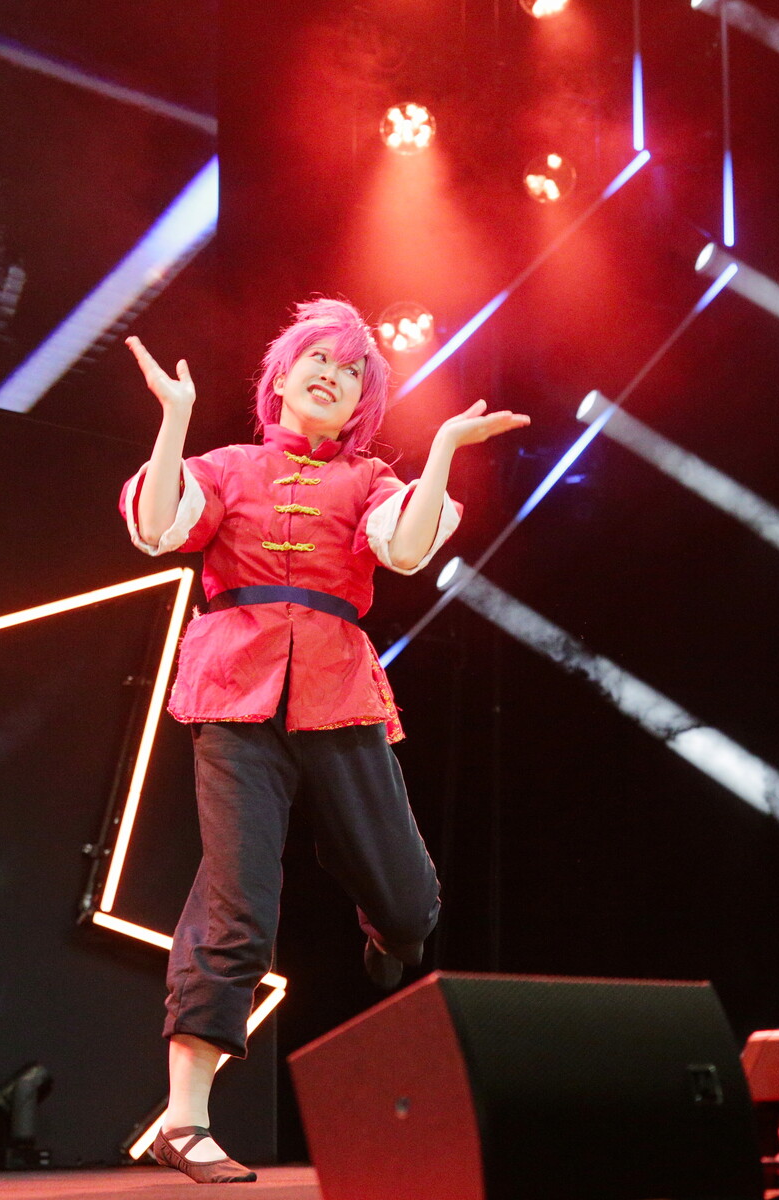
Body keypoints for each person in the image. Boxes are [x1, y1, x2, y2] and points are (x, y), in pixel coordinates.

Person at [119, 298, 530, 1183]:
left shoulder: (370, 480)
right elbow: (158, 528)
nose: (331, 376)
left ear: (360, 405)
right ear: (280, 377)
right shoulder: (228, 467)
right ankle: (185, 1122)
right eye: (318, 359)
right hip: (235, 694)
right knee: (237, 900)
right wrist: (175, 419)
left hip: (337, 692)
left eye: (350, 372)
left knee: (410, 907)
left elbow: (407, 550)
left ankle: (390, 931)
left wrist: (442, 451)